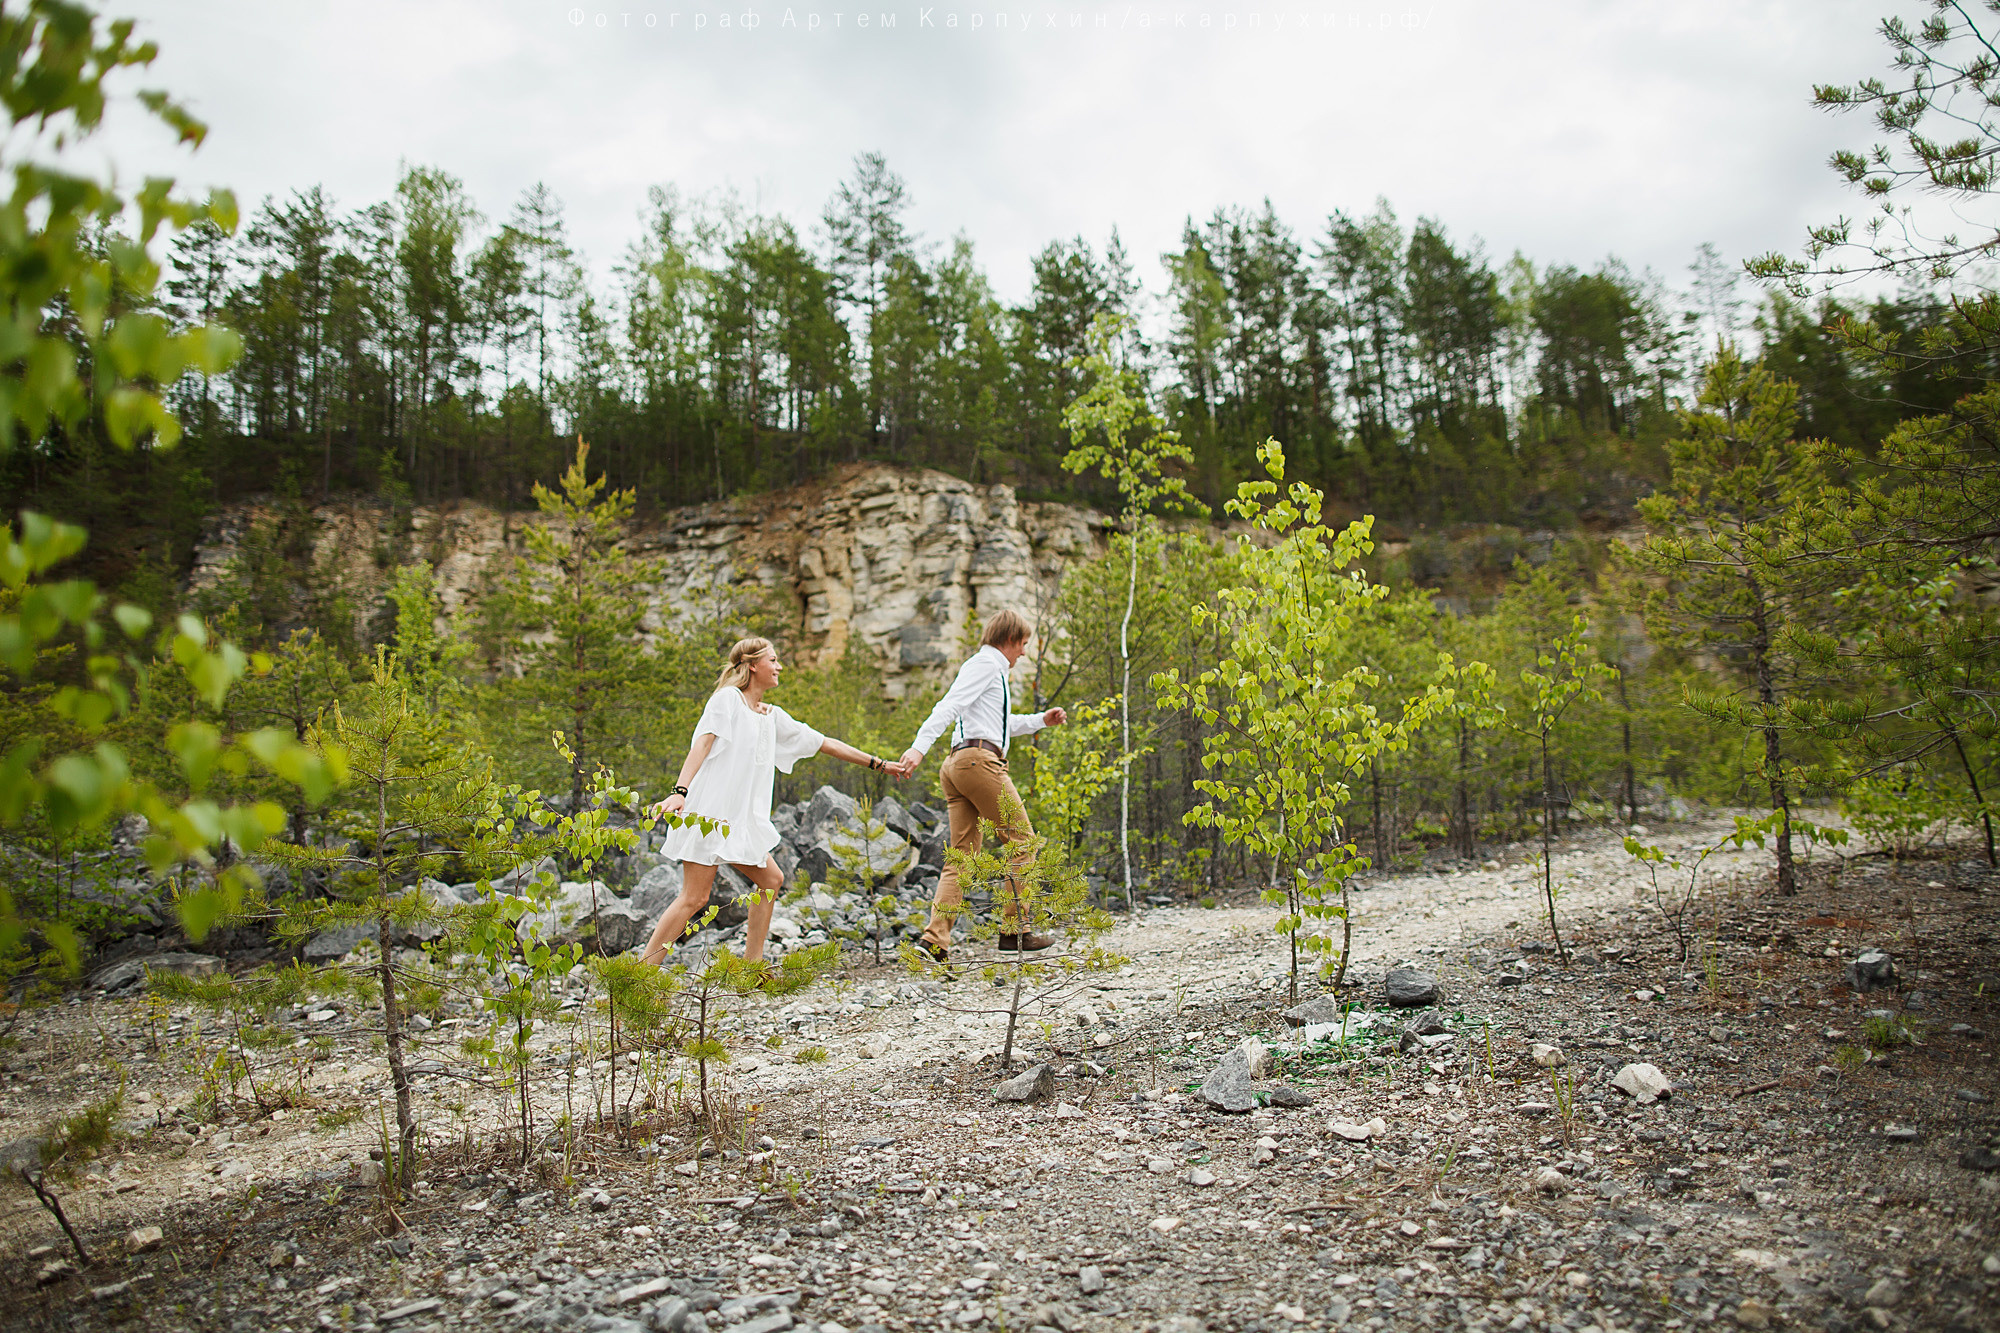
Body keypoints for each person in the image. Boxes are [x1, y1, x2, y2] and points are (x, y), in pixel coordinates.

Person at [641, 637, 893, 971]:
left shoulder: (772, 717)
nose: (779, 667)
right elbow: (702, 744)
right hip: (708, 813)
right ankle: (639, 976)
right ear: (752, 665)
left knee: (770, 881)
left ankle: (752, 968)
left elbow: (825, 743)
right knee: (694, 898)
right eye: (773, 660)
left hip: (741, 822)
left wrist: (879, 764)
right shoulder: (727, 700)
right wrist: (680, 791)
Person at [892, 608, 1067, 964]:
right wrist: (918, 747)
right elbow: (949, 705)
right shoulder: (985, 665)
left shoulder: (992, 670)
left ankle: (935, 941)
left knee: (961, 858)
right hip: (978, 763)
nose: (1024, 652)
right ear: (1010, 639)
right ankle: (1014, 931)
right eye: (1023, 644)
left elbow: (996, 724)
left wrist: (1040, 721)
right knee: (1023, 843)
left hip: (961, 763)